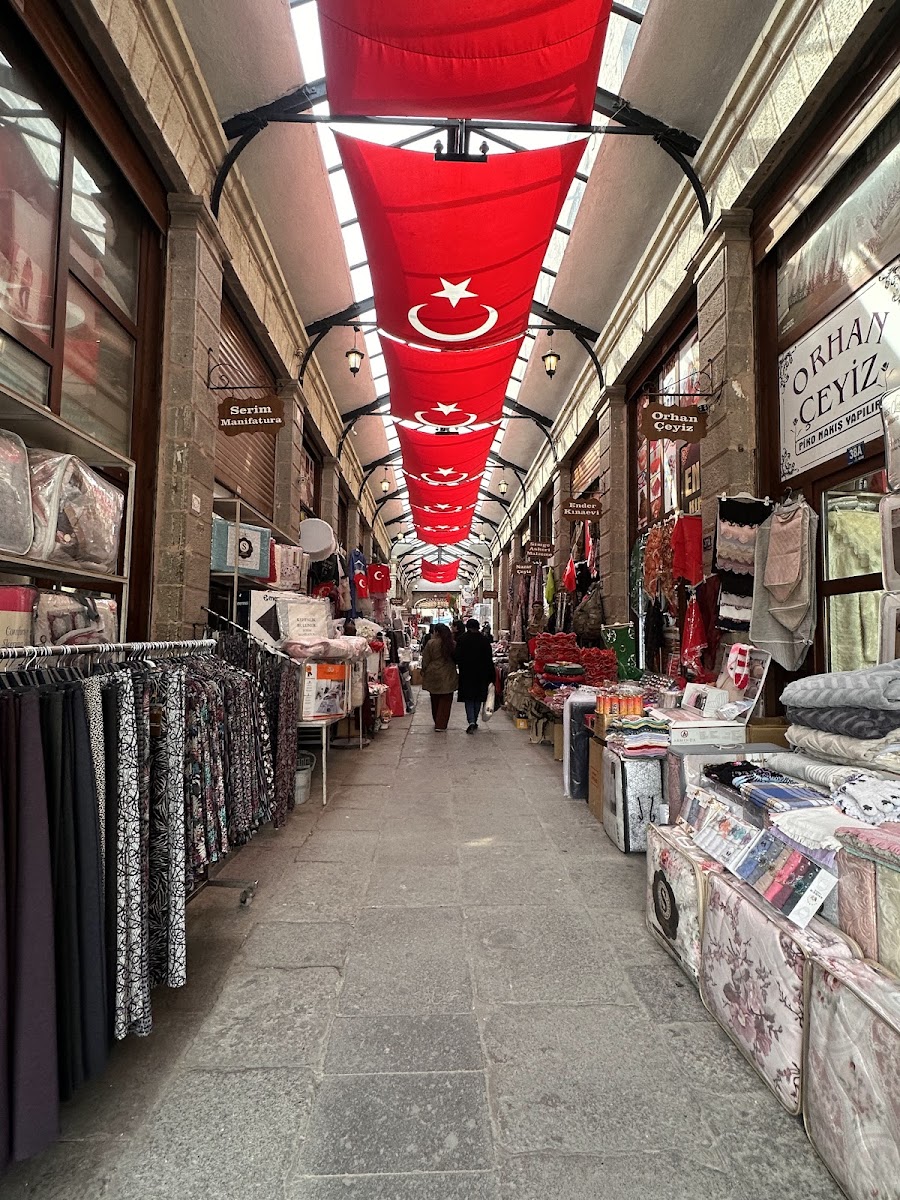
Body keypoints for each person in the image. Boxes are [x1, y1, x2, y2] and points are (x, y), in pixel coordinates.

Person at [454, 618, 495, 733]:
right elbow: (489, 658)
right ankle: (474, 720)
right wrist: (491, 675)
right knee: (478, 697)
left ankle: (471, 721)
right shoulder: (484, 640)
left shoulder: (462, 639)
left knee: (469, 698)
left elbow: (457, 656)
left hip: (466, 673)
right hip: (482, 673)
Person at [420, 623, 458, 731]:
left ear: (436, 632)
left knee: (434, 698)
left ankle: (437, 720)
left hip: (433, 673)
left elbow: (425, 659)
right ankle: (441, 724)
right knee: (446, 699)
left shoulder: (431, 643)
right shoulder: (452, 644)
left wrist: (423, 670)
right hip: (448, 673)